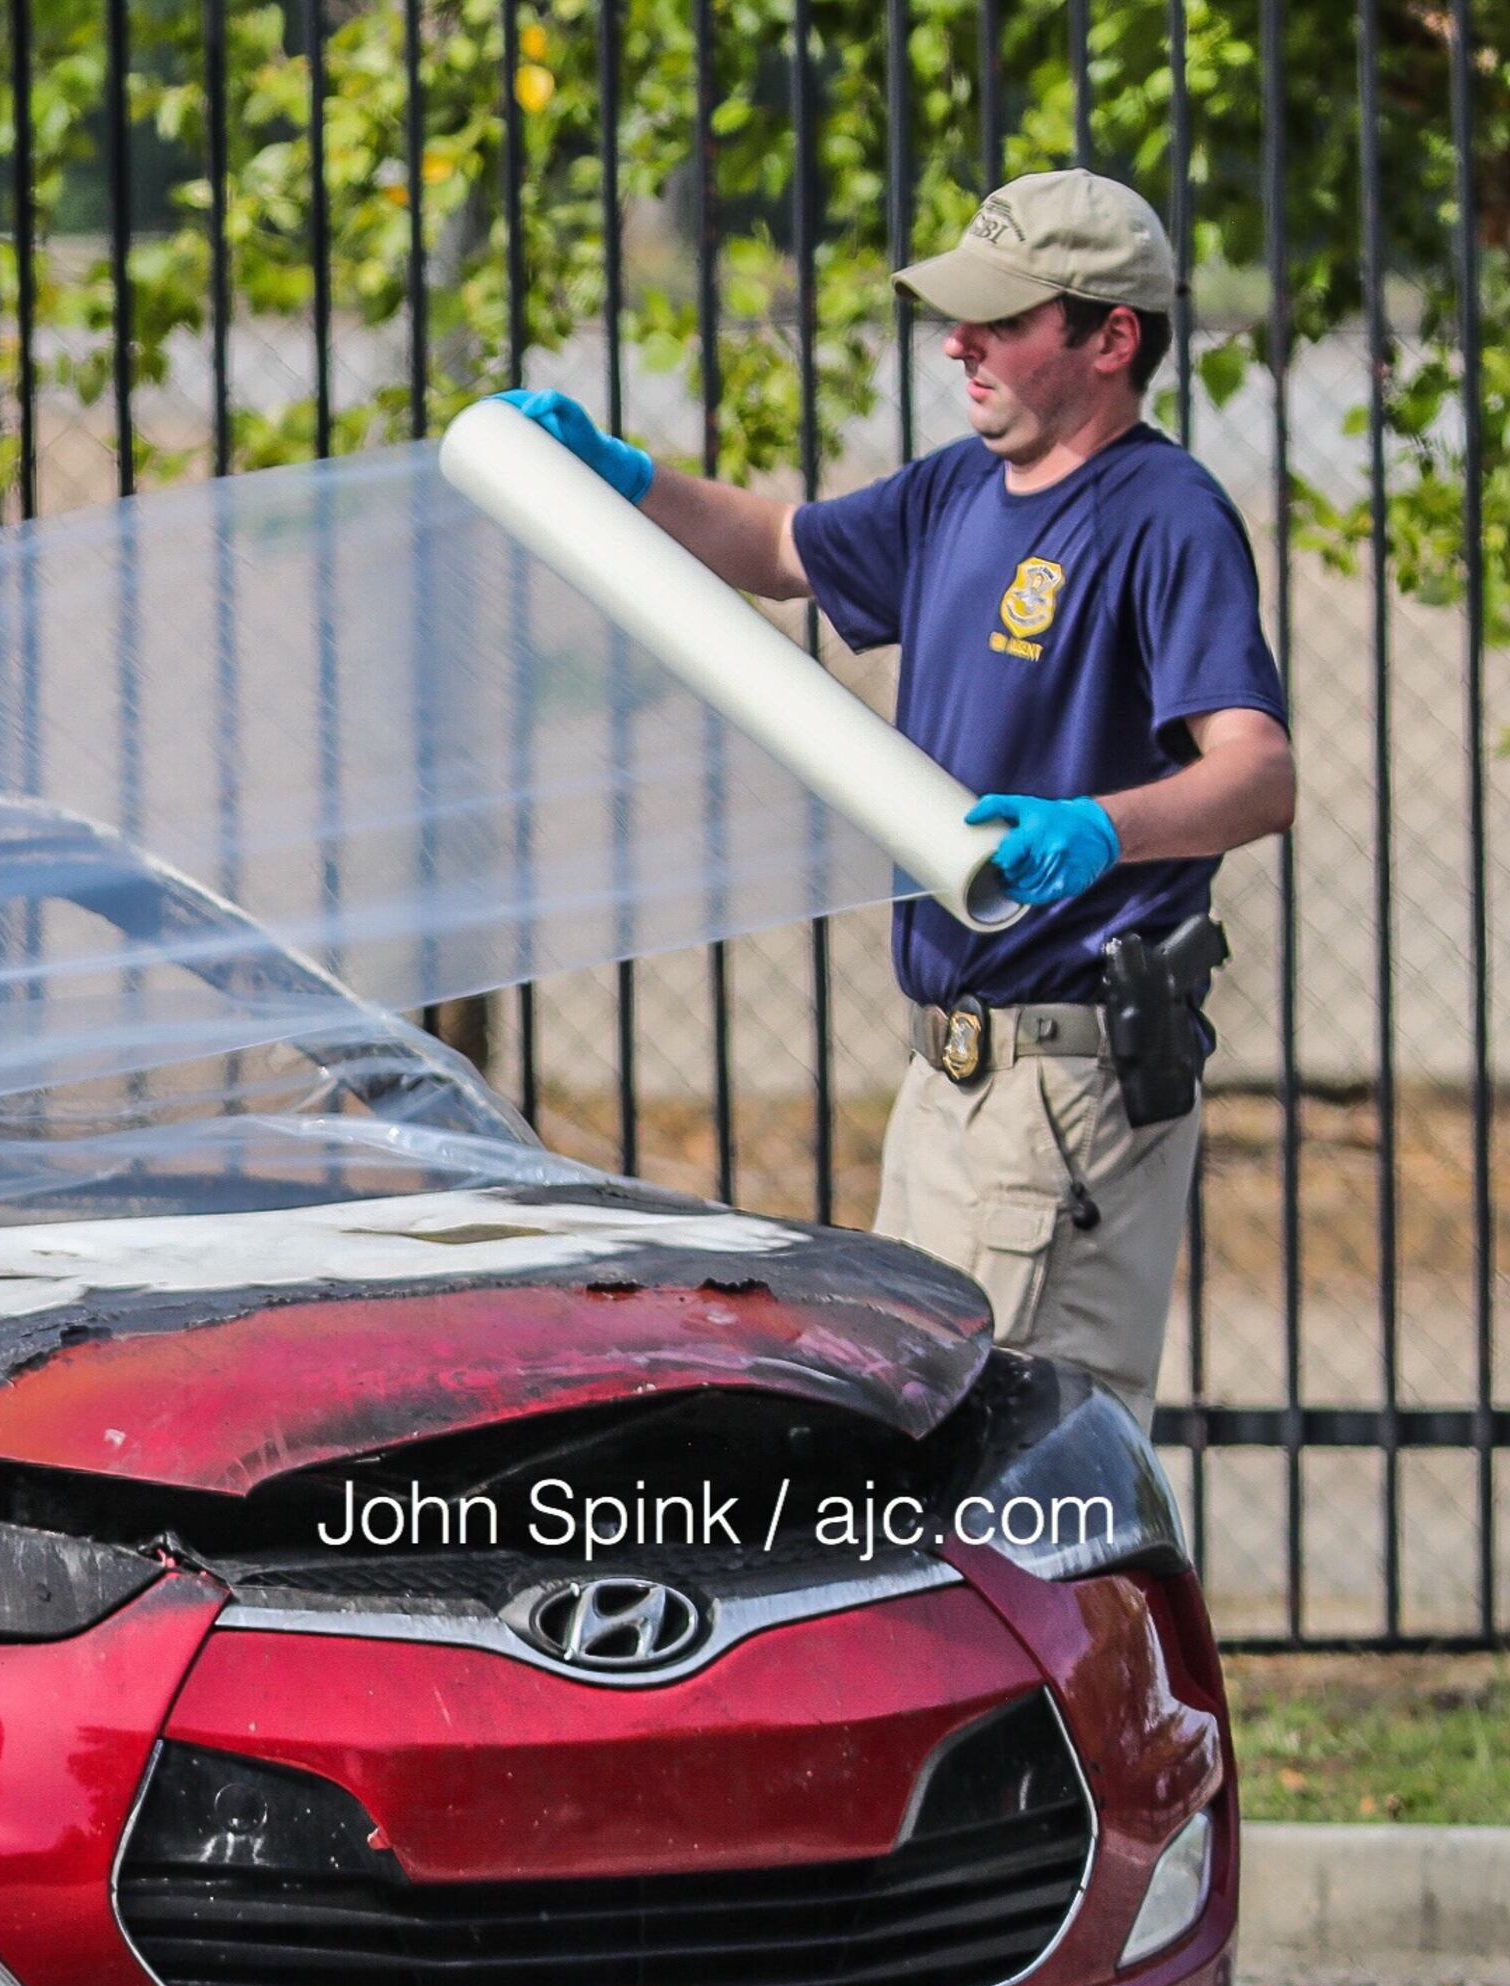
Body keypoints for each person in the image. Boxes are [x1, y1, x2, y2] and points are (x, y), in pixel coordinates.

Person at [502, 168, 1293, 1422]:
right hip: (950, 1077)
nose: (959, 343)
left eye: (1003, 319)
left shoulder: (1163, 514)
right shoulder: (958, 490)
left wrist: (1102, 829)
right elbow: (781, 547)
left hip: (1064, 1086)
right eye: (961, 314)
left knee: (1020, 1463)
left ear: (1111, 339)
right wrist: (625, 477)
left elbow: (1258, 770)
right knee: (927, 1451)